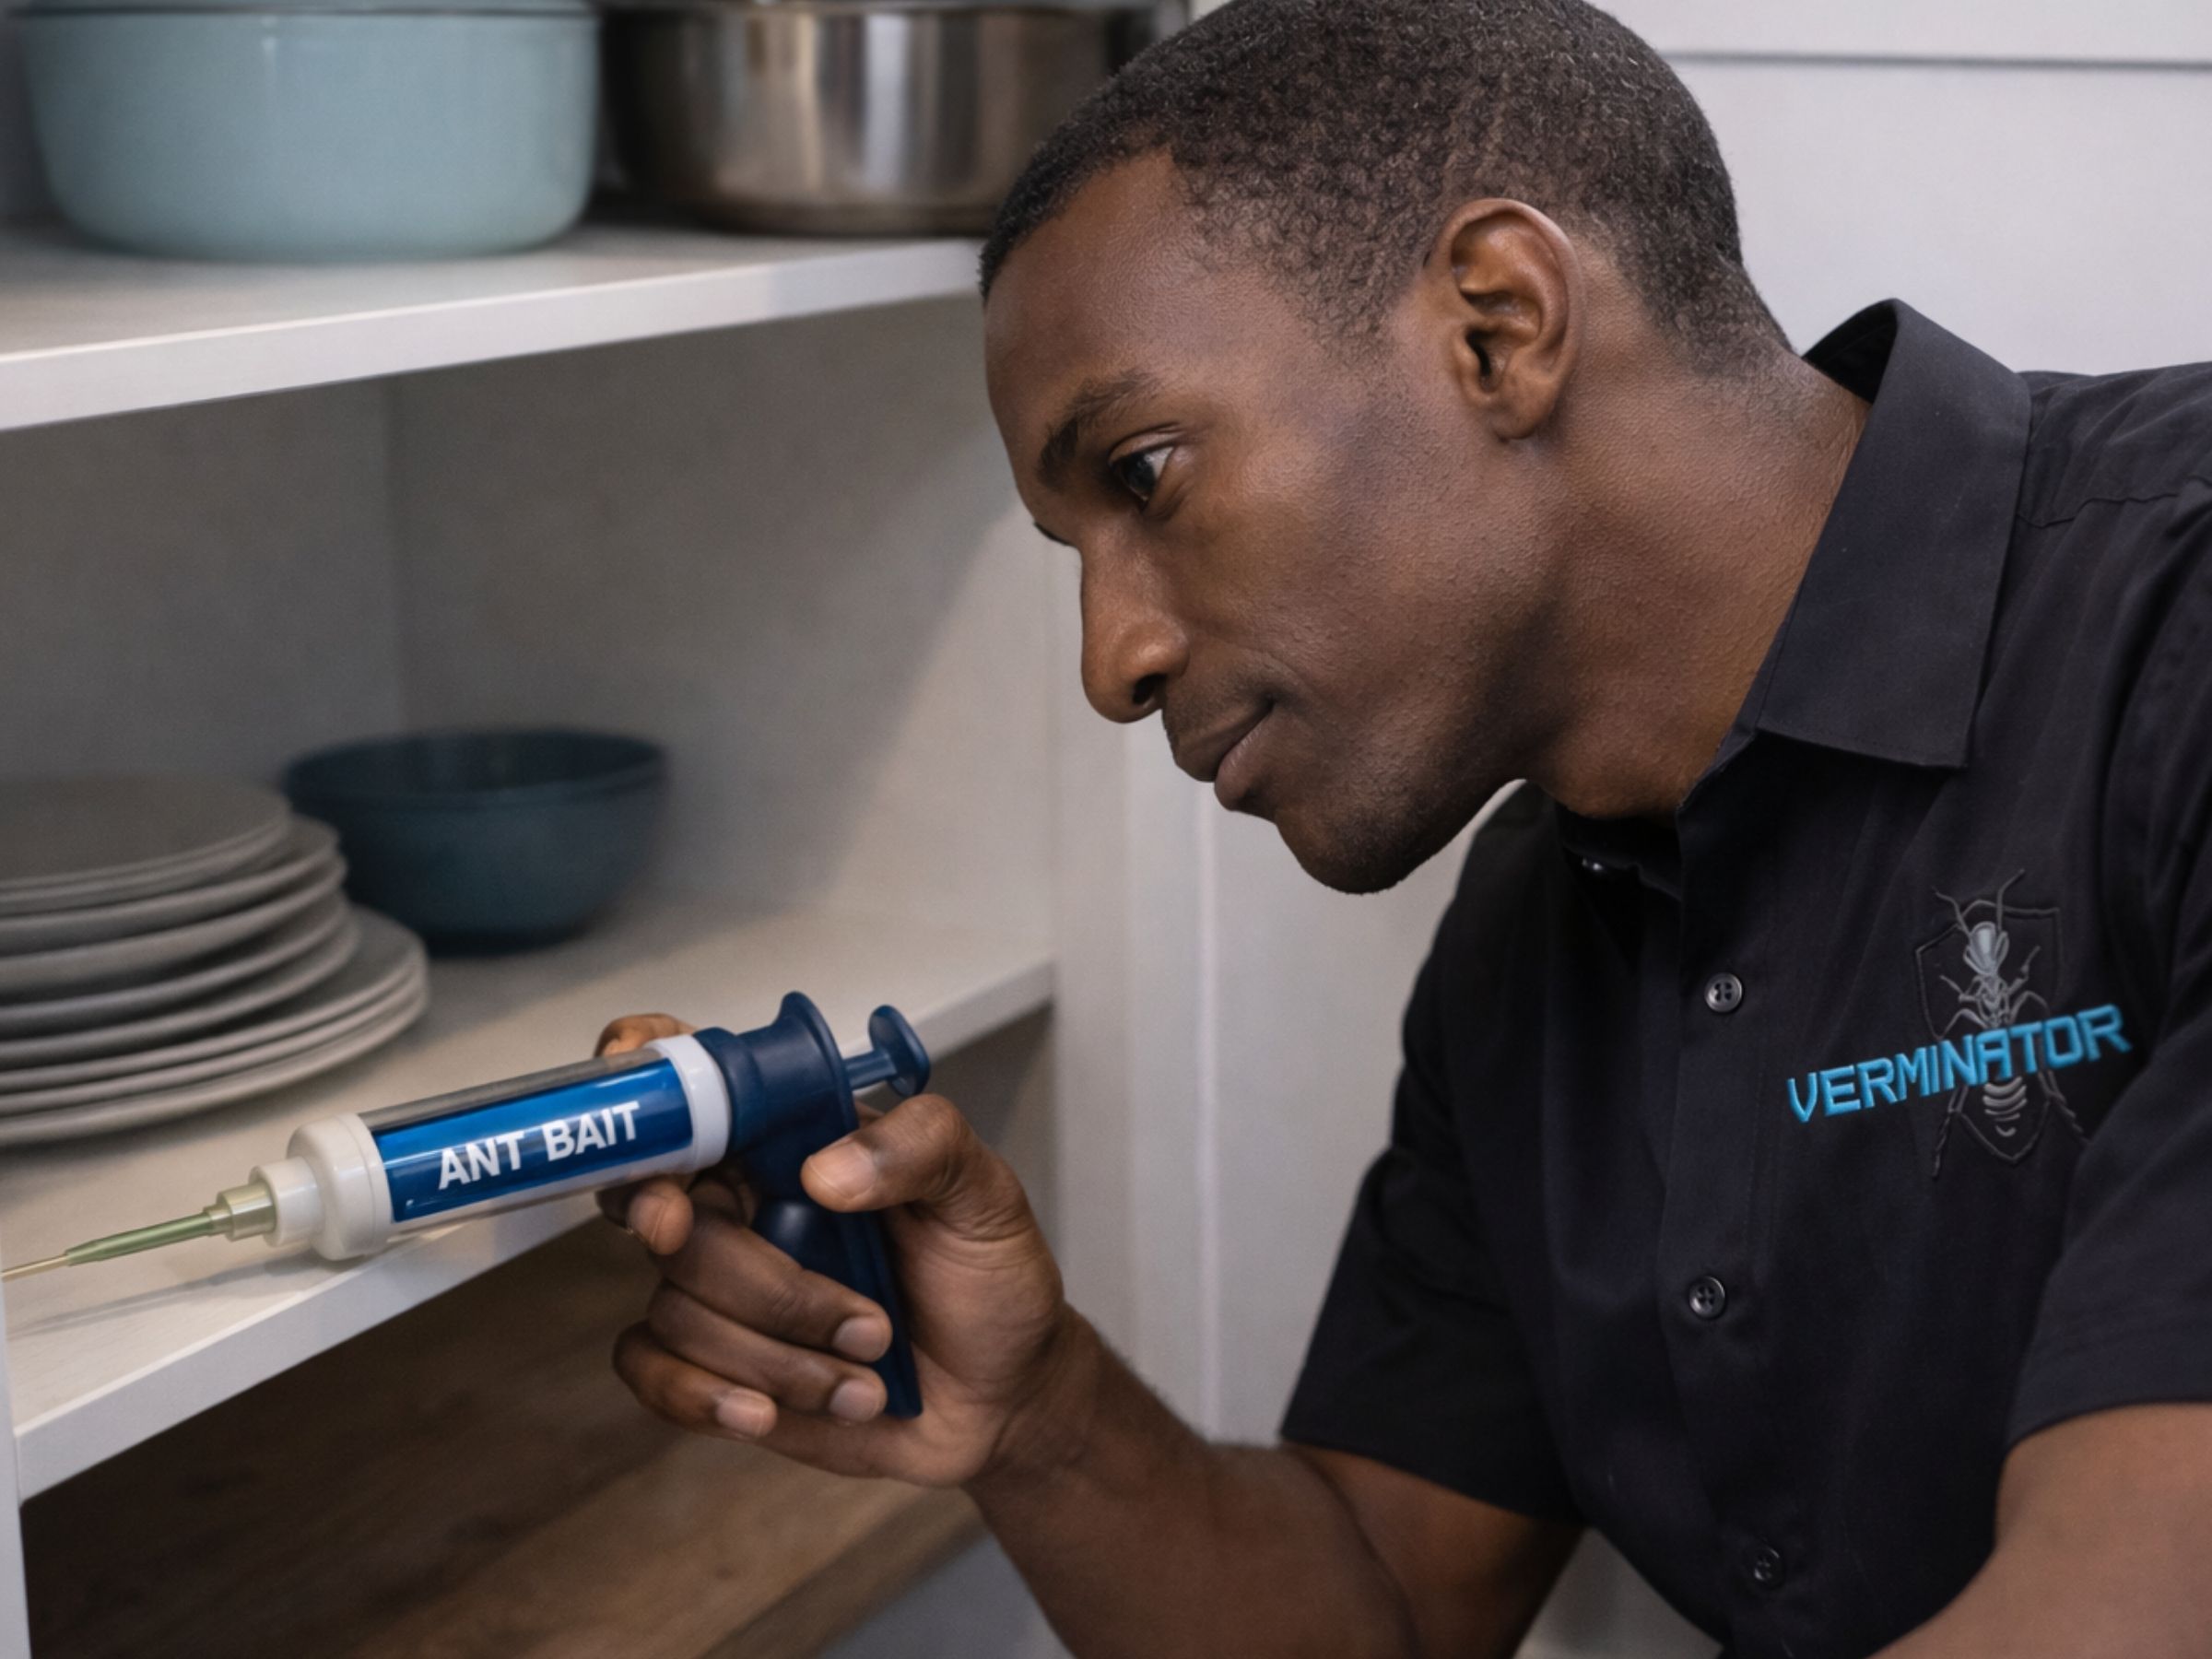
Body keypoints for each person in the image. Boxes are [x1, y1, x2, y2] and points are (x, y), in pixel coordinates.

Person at [592, 1, 2212, 1653]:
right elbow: (1378, 1606)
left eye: (1143, 475)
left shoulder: (2181, 619)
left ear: (1498, 327)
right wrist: (1037, 1411)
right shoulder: (1531, 935)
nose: (1113, 660)